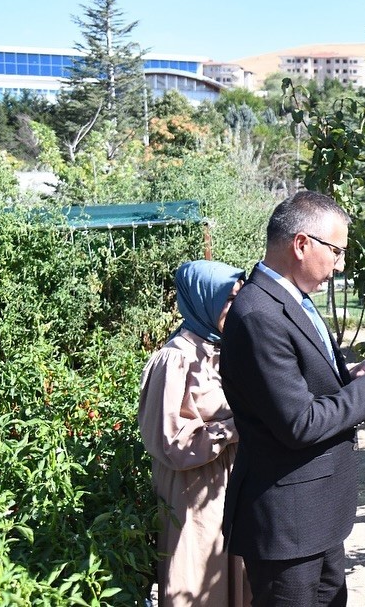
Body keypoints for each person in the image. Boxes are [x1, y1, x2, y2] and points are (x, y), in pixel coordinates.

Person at [219, 190, 365, 607]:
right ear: (302, 244)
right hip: (287, 524)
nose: (340, 264)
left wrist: (352, 375)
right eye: (336, 251)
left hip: (316, 515)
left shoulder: (293, 300)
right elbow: (298, 422)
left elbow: (301, 384)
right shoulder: (259, 315)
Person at [138, 259, 251, 607]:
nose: (238, 309)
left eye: (239, 298)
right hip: (194, 494)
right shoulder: (175, 360)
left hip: (229, 488)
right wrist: (237, 428)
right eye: (228, 300)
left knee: (237, 583)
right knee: (199, 586)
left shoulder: (221, 351)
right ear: (205, 301)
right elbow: (170, 441)